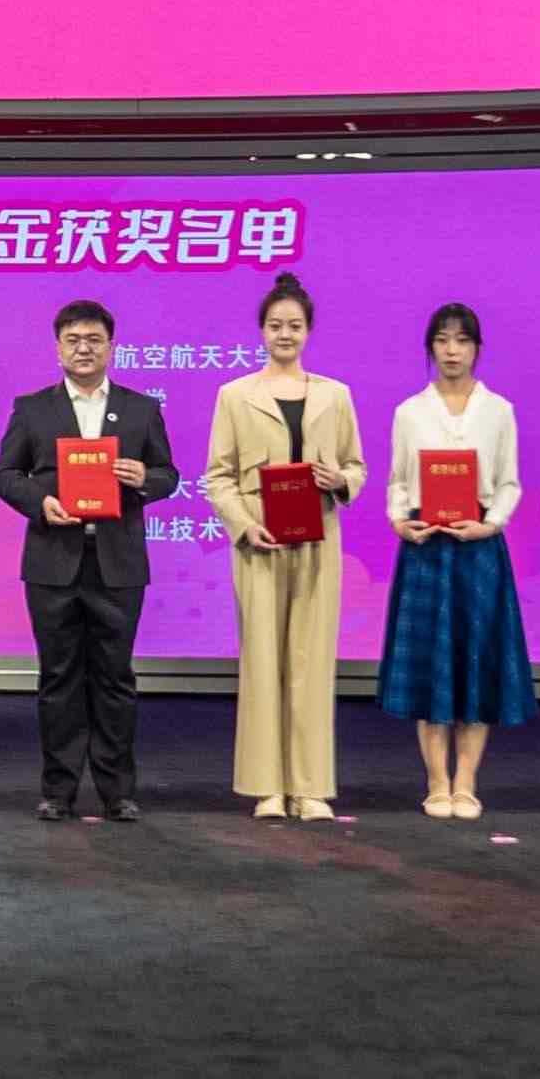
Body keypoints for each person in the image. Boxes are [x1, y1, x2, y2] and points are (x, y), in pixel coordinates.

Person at [0, 300, 177, 822]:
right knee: (59, 677)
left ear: (111, 347)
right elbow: (5, 475)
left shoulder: (141, 409)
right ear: (58, 349)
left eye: (94, 339)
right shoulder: (33, 409)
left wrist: (145, 479)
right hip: (54, 560)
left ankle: (118, 792)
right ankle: (58, 790)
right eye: (73, 340)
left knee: (115, 678)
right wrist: (40, 503)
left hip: (118, 562)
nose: (83, 349)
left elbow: (169, 474)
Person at [202, 271, 364, 821]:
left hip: (318, 539)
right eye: (275, 325)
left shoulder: (335, 395)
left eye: (294, 326)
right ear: (262, 331)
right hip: (260, 540)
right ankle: (267, 786)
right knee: (263, 661)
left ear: (308, 331)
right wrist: (244, 524)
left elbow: (357, 466)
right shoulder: (234, 395)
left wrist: (338, 479)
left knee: (311, 662)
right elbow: (218, 476)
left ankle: (310, 787)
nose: (285, 334)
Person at [377, 302, 535, 822]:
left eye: (462, 340)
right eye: (442, 340)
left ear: (476, 349)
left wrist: (492, 523)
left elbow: (509, 482)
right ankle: (436, 782)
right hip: (427, 548)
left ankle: (466, 782)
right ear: (430, 347)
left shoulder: (499, 411)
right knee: (430, 667)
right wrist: (400, 520)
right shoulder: (410, 412)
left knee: (475, 664)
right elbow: (399, 481)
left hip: (478, 547)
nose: (452, 350)